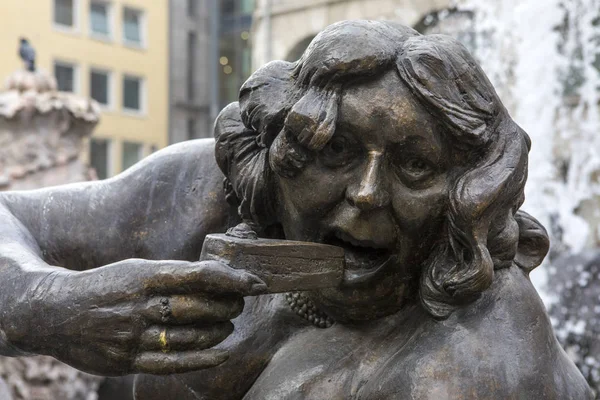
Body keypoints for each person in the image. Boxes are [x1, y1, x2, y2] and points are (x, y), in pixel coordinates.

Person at [0, 21, 593, 399]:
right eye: (335, 150)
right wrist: (46, 306)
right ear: (282, 152)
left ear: (466, 197)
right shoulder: (218, 191)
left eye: (414, 167)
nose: (366, 192)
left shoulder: (476, 367)